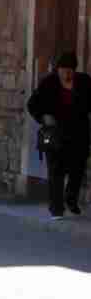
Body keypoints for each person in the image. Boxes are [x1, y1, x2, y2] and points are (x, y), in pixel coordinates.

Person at [27, 51, 91, 217]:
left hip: (79, 134)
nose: (66, 73)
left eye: (70, 69)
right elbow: (32, 104)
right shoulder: (48, 83)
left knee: (77, 170)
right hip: (55, 134)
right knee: (56, 171)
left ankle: (71, 199)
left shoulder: (85, 83)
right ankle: (56, 208)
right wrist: (44, 117)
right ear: (58, 70)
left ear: (75, 70)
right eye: (63, 69)